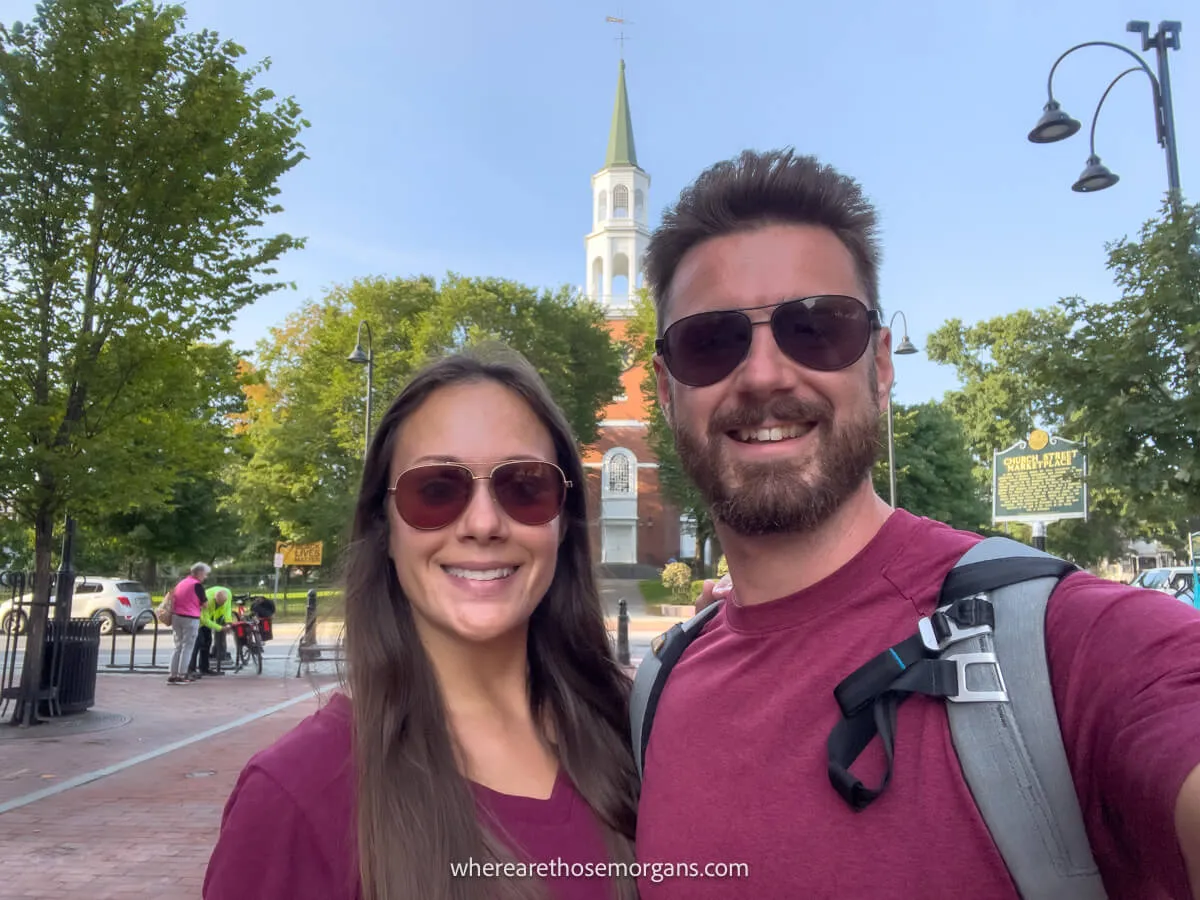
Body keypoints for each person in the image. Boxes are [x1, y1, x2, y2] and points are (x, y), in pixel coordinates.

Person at [633, 148, 1200, 898]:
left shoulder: (1069, 646)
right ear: (668, 393)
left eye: (816, 329)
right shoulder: (658, 691)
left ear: (882, 364)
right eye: (712, 341)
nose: (765, 373)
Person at [204, 347, 639, 900]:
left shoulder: (640, 736)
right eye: (435, 489)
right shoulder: (296, 796)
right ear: (384, 528)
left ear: (563, 523)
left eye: (525, 487)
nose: (483, 523)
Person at [168, 562, 210, 685]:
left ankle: (173, 674)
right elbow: (205, 604)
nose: (205, 577)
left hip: (176, 616)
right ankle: (182, 675)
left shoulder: (181, 583)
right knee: (187, 647)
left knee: (178, 646)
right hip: (190, 618)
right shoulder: (197, 585)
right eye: (205, 574)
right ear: (200, 573)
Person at [189, 584, 233, 676]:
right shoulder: (207, 600)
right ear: (215, 599)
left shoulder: (227, 595)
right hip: (198, 620)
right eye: (217, 604)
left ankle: (204, 668)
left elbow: (227, 609)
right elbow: (205, 620)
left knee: (207, 642)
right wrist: (221, 628)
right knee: (198, 643)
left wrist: (228, 622)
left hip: (208, 619)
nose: (219, 606)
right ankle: (191, 669)